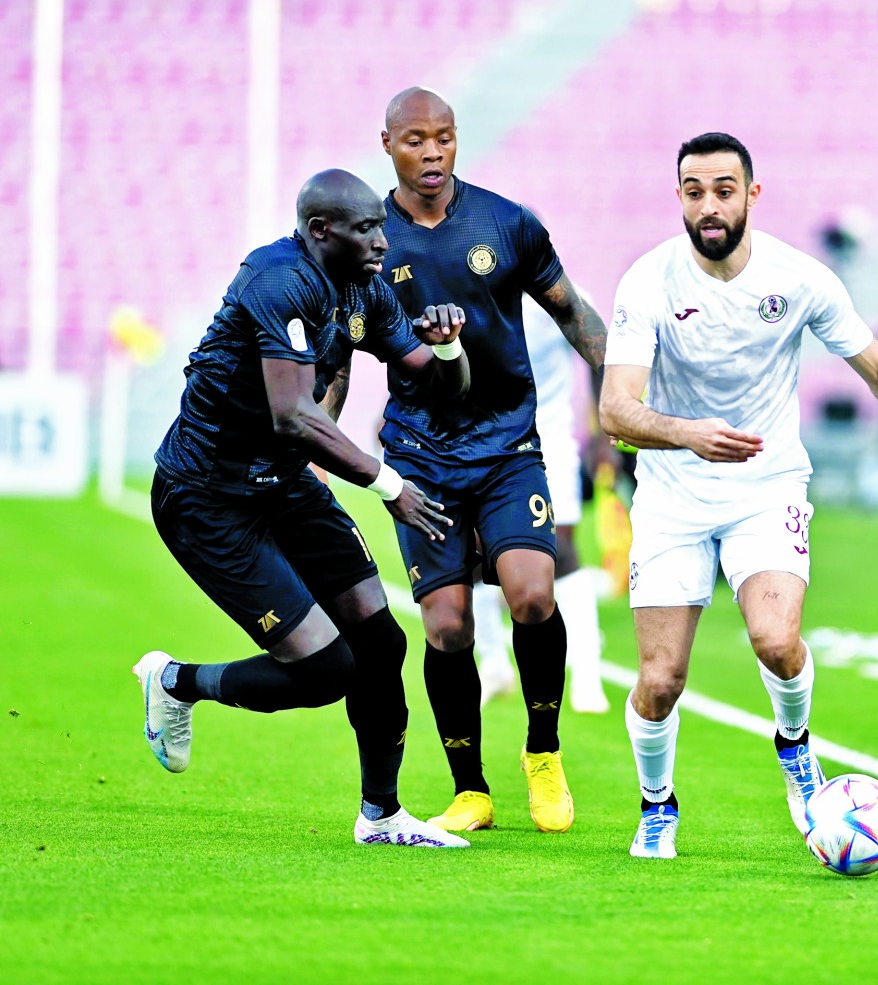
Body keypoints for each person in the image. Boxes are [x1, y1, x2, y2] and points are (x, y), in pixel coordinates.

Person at [599, 132, 878, 859]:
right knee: (661, 681)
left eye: (723, 190)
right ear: (679, 197)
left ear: (752, 195)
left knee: (776, 640)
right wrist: (689, 434)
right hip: (672, 496)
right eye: (694, 192)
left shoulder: (799, 280)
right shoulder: (648, 282)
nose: (709, 205)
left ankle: (796, 749)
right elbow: (615, 410)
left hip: (766, 488)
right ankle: (657, 806)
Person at [134, 168, 473, 849]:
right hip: (207, 498)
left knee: (381, 644)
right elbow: (292, 414)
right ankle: (175, 682)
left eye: (381, 226)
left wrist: (447, 346)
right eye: (366, 228)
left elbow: (444, 389)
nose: (383, 240)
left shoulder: (366, 290)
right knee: (324, 671)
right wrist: (389, 485)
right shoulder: (278, 279)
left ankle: (382, 817)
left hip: (284, 486)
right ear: (321, 231)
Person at [377, 87, 608, 834]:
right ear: (388, 145)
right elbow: (337, 354)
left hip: (508, 446)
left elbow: (572, 312)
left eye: (444, 137)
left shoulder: (507, 224)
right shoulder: (369, 240)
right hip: (419, 457)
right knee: (446, 626)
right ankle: (470, 788)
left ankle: (543, 752)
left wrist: (623, 394)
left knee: (533, 594)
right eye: (416, 139)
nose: (433, 152)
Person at [474, 292, 611, 715]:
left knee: (560, 549)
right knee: (475, 552)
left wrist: (604, 432)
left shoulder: (559, 294)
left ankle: (587, 671)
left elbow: (602, 354)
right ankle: (494, 664)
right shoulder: (471, 283)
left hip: (547, 437)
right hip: (480, 440)